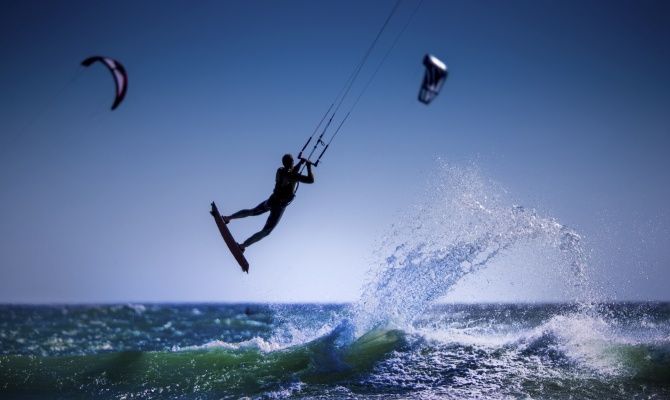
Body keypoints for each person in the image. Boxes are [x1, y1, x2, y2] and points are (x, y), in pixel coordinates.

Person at [223, 153, 314, 251]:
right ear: (291, 163)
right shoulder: (293, 175)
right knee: (266, 231)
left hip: (272, 200)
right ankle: (242, 246)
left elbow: (291, 171)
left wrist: (301, 163)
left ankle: (228, 218)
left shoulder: (280, 170)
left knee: (252, 211)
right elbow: (310, 180)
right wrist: (308, 166)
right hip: (279, 207)